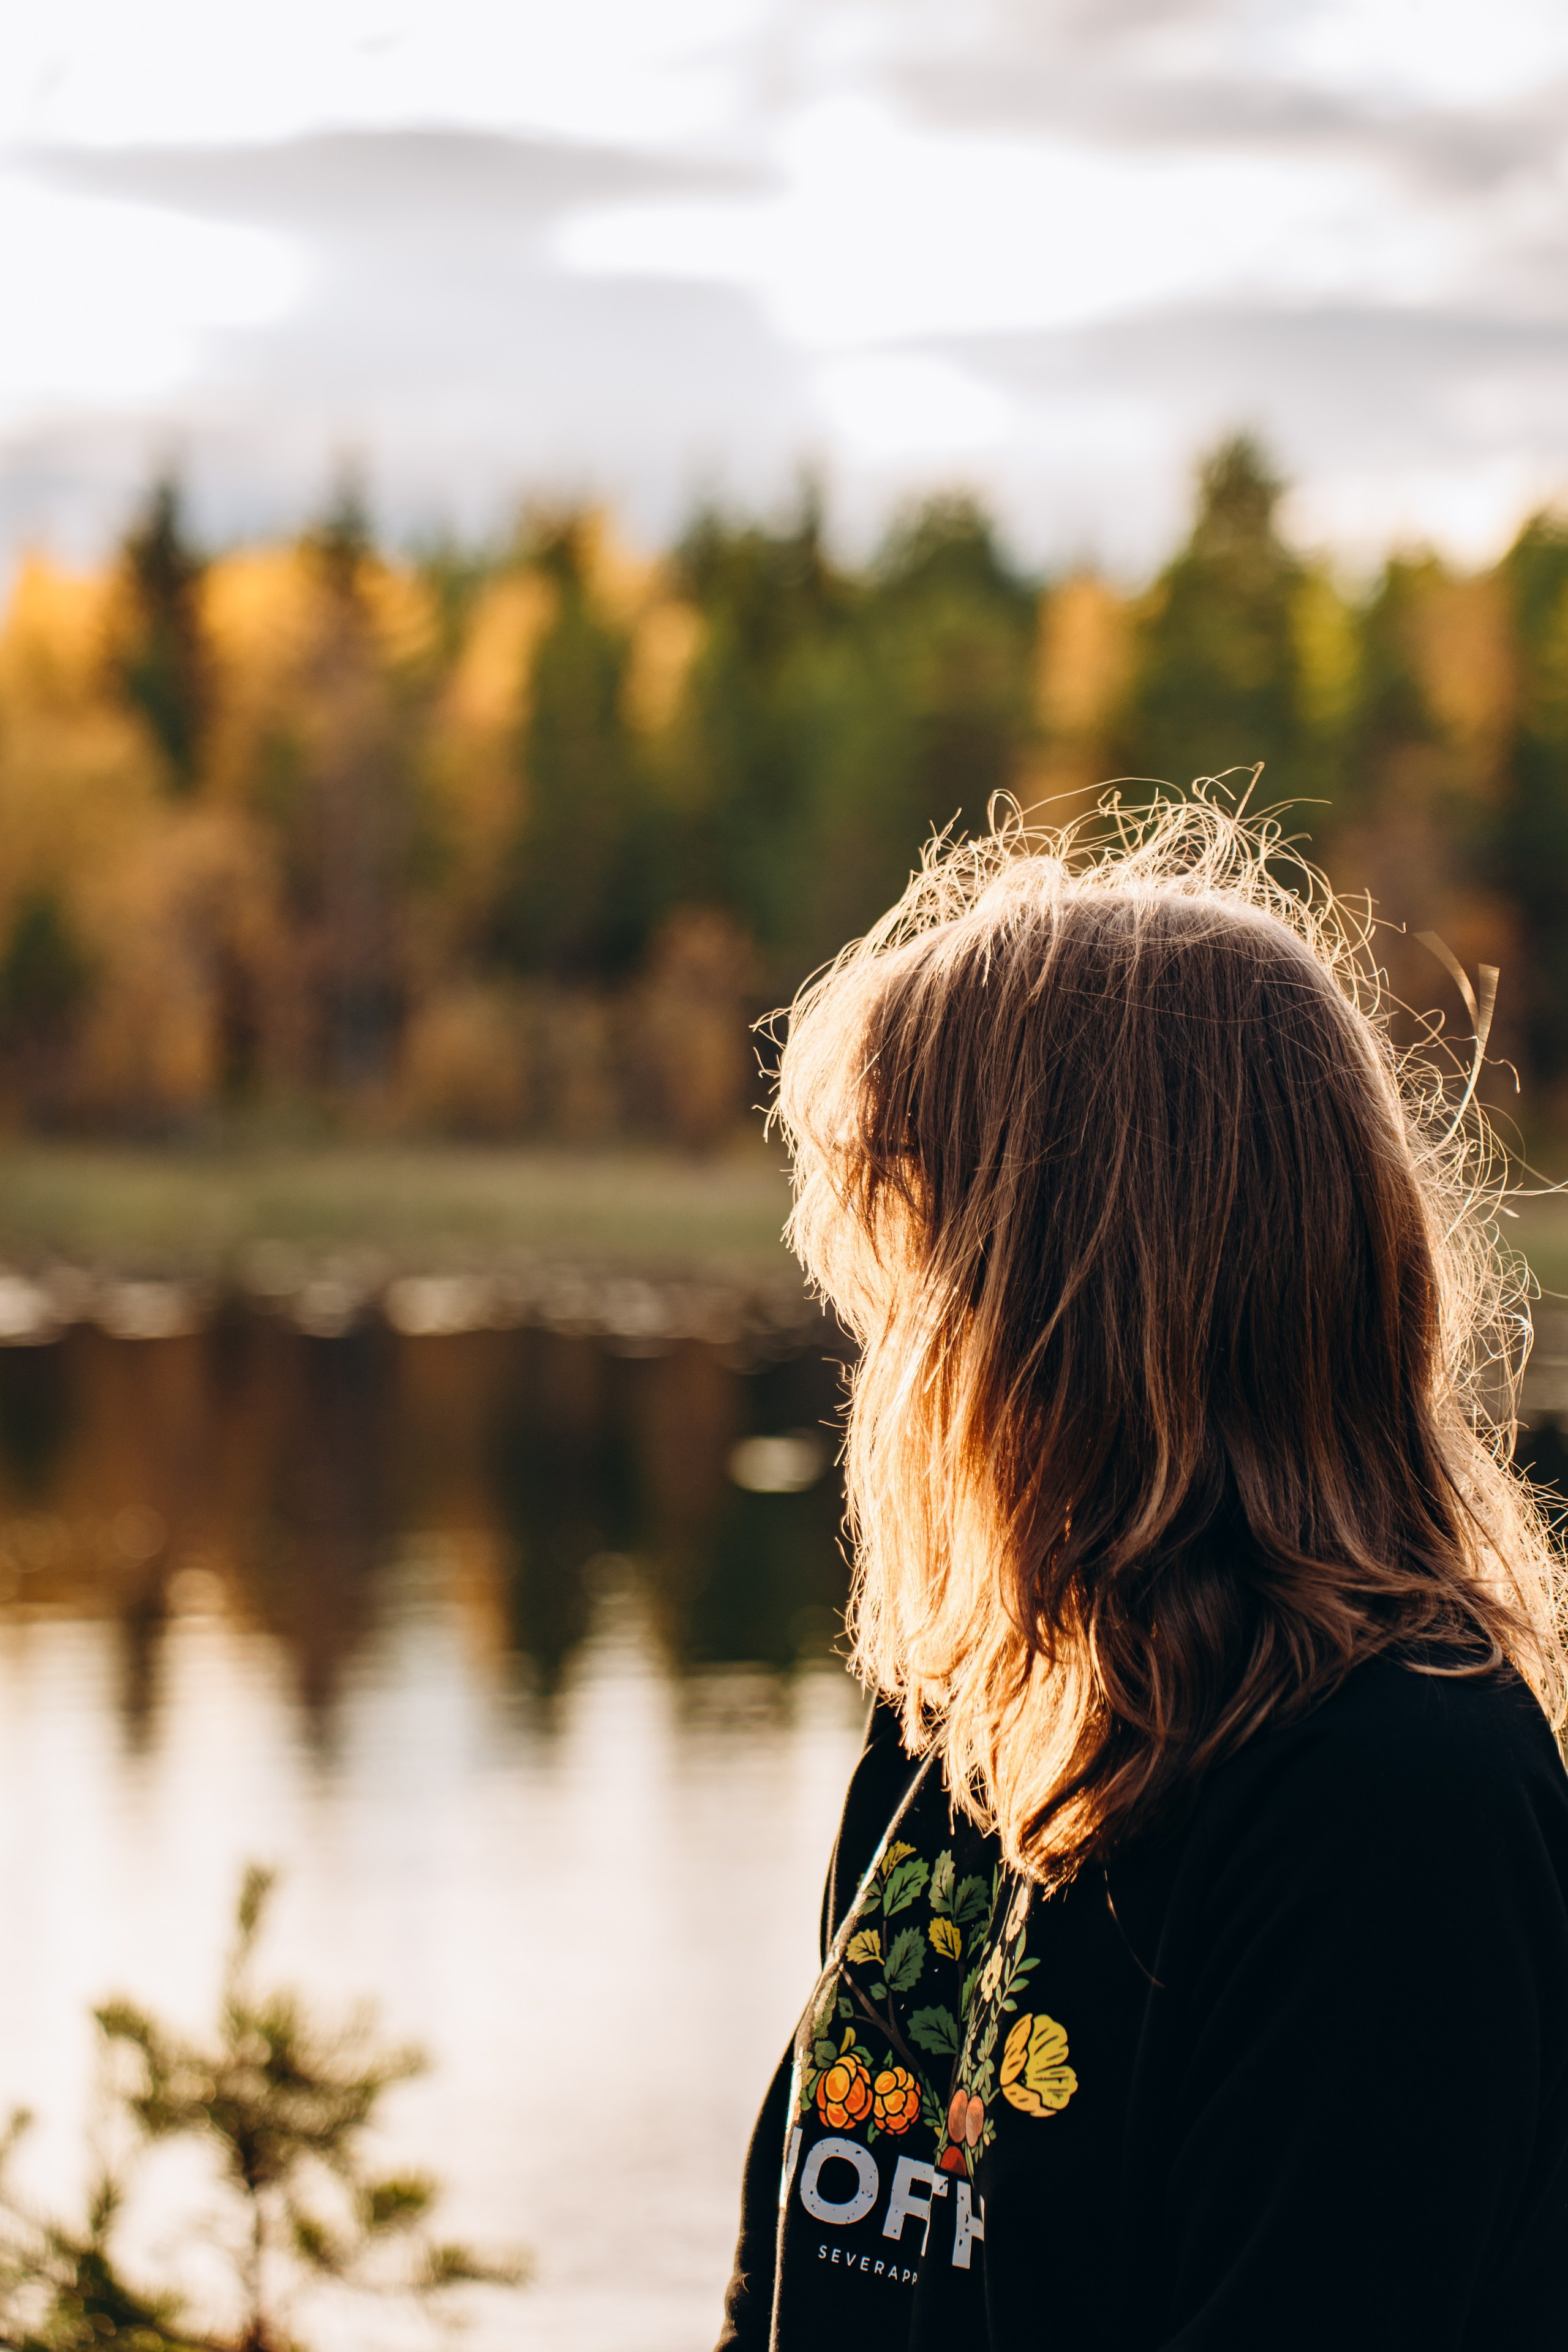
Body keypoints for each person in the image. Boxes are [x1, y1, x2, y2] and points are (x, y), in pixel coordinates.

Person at [716, 796, 1568, 2352]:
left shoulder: (1397, 1805)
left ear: (1081, 1303)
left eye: (933, 1261)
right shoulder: (965, 1725)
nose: (893, 1346)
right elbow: (784, 2285)